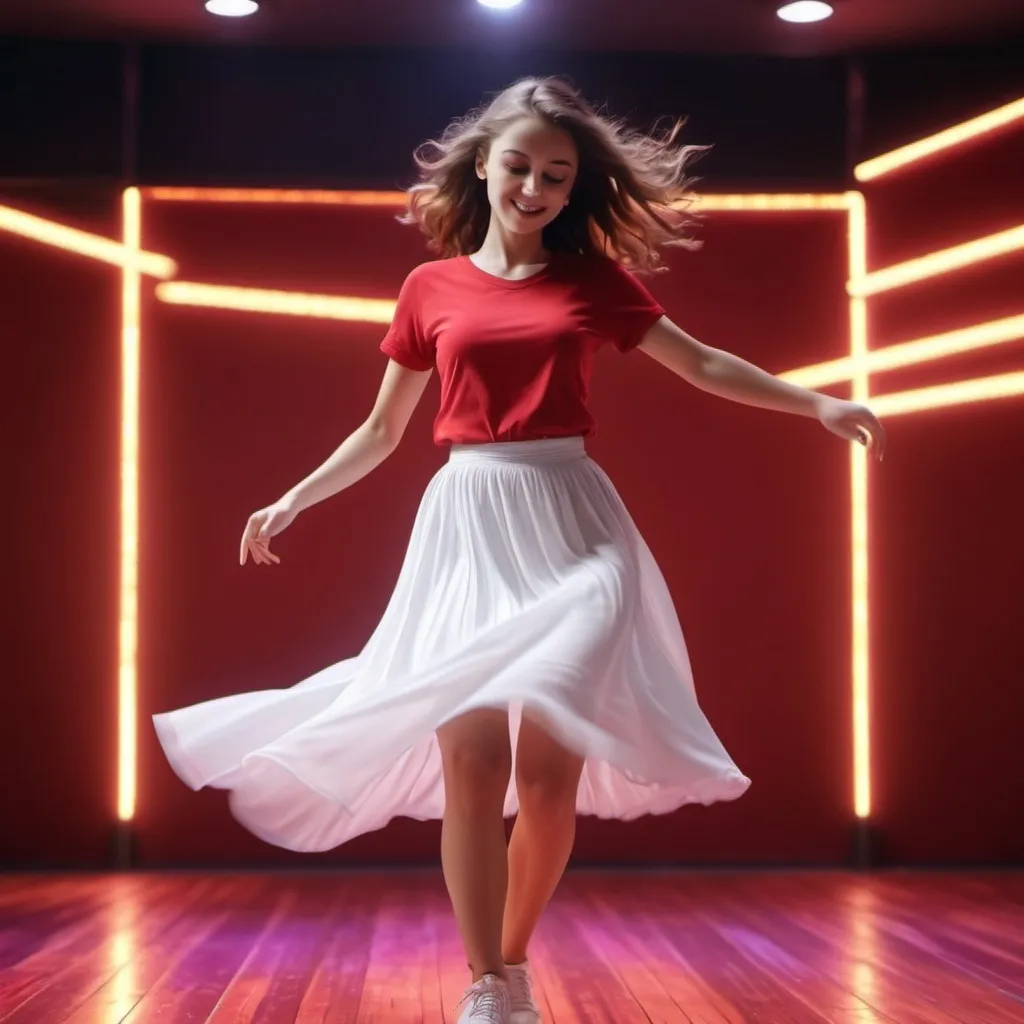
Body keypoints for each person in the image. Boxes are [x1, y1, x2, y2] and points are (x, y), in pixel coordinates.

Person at [153, 76, 886, 1024]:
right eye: (519, 167)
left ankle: (513, 959)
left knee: (548, 780)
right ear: (483, 168)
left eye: (556, 174)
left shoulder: (591, 281)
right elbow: (381, 431)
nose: (534, 187)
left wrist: (817, 402)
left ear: (574, 187)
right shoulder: (430, 288)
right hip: (466, 524)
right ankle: (488, 984)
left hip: (573, 521)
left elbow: (702, 363)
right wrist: (296, 497)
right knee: (472, 769)